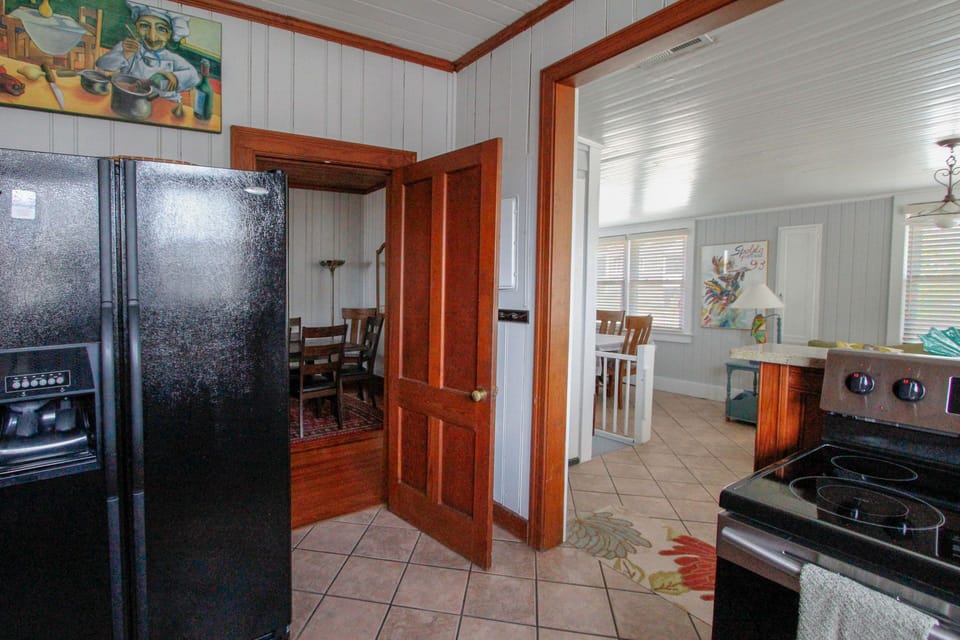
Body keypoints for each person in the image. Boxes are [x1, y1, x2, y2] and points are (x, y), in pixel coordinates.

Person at [96, 1, 199, 103]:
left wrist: (175, 77)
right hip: (129, 100)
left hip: (163, 108)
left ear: (169, 34)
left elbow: (194, 77)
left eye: (161, 29)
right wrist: (124, 55)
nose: (152, 37)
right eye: (144, 26)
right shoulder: (129, 47)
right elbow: (102, 64)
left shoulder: (172, 58)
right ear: (137, 27)